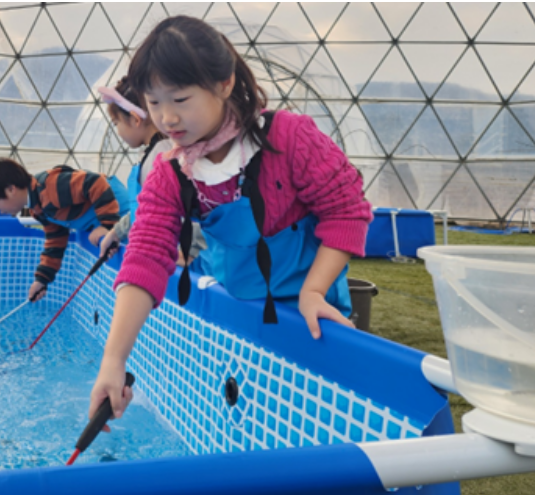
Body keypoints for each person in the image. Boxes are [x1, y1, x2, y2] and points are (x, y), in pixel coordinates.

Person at [88, 16, 372, 427]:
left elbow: (346, 210)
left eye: (180, 99)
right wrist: (113, 361)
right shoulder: (172, 171)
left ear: (223, 83)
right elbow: (146, 255)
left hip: (316, 314)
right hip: (244, 314)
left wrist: (314, 290)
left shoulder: (288, 137)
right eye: (153, 103)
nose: (166, 118)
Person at [0, 158, 129, 302]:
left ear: (11, 189)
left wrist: (107, 225)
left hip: (123, 211)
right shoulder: (37, 208)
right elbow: (56, 239)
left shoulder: (50, 187)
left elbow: (95, 183)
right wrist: (42, 279)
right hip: (108, 218)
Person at [96, 78, 206, 269]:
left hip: (189, 267)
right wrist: (116, 233)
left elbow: (193, 208)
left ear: (135, 119)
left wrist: (189, 253)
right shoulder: (155, 153)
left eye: (116, 123)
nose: (118, 131)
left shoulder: (164, 156)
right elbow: (145, 209)